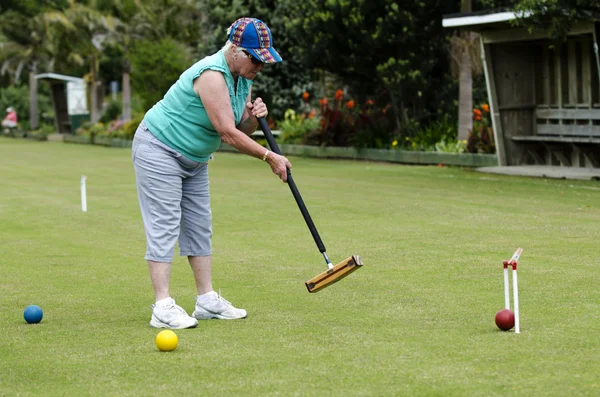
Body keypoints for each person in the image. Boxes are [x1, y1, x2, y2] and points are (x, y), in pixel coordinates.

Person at [132, 17, 292, 329]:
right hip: (159, 148)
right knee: (165, 223)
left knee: (200, 226)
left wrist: (252, 114)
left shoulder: (242, 78)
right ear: (235, 50)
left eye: (264, 60)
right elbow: (227, 134)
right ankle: (162, 306)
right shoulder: (211, 75)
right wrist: (269, 156)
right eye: (256, 59)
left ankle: (206, 301)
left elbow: (239, 125)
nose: (260, 66)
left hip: (195, 157)